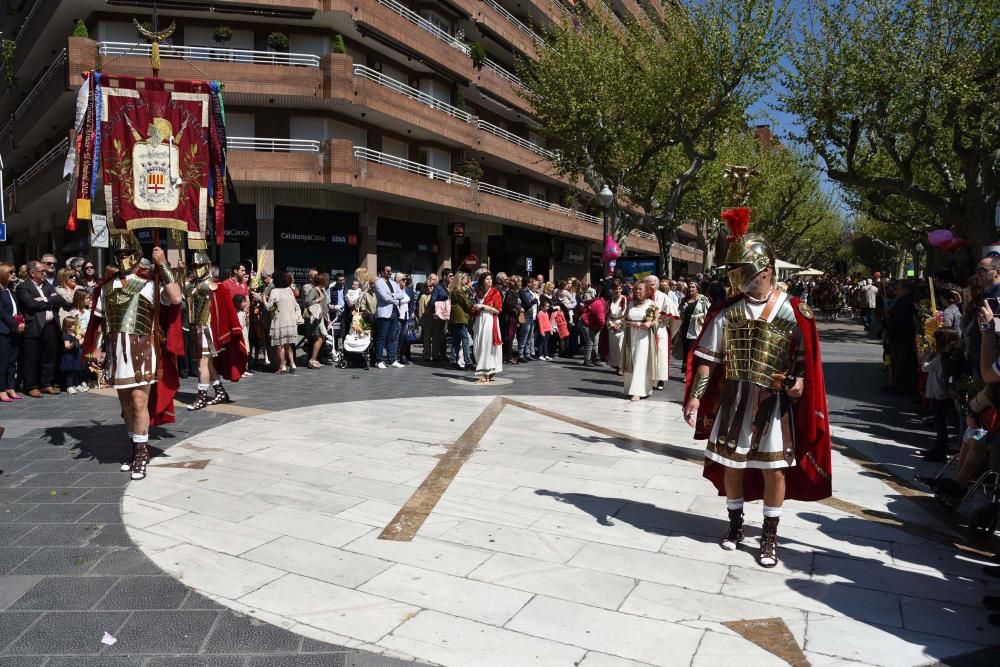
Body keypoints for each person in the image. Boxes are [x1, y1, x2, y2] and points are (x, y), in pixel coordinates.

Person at [682, 232, 831, 568]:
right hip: (733, 398)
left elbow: (808, 362)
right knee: (732, 465)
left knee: (773, 470)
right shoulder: (727, 312)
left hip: (773, 403)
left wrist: (799, 383)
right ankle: (735, 525)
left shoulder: (794, 311)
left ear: (764, 269)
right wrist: (694, 398)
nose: (737, 275)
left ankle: (769, 535)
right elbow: (709, 359)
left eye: (742, 267)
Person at [82, 231, 183, 480]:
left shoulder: (151, 282)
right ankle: (134, 446)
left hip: (142, 349)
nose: (123, 257)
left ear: (137, 254)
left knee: (139, 401)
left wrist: (163, 265)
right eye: (119, 253)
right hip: (117, 350)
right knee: (126, 405)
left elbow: (176, 297)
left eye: (127, 253)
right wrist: (97, 347)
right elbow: (99, 321)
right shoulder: (107, 286)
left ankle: (140, 452)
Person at [183, 252, 245, 409]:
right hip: (194, 328)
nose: (197, 269)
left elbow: (224, 310)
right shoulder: (193, 285)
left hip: (206, 330)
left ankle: (201, 396)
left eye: (200, 265)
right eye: (194, 266)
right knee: (207, 364)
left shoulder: (215, 285)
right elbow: (182, 296)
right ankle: (220, 391)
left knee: (201, 365)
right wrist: (177, 272)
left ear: (208, 266)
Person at [16, 260, 67, 397]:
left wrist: (43, 300)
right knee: (31, 357)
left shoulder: (47, 285)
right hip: (34, 326)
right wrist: (49, 300)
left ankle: (46, 384)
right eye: (41, 271)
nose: (45, 273)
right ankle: (31, 386)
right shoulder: (23, 287)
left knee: (49, 356)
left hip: (50, 326)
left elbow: (60, 299)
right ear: (33, 273)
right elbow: (32, 305)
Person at [622, 281, 658, 400]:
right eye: (636, 289)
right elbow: (625, 320)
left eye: (640, 289)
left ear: (647, 291)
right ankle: (629, 388)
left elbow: (653, 322)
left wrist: (648, 323)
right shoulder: (631, 303)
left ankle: (638, 391)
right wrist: (633, 323)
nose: (637, 291)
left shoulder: (651, 304)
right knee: (631, 360)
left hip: (644, 338)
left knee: (640, 361)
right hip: (630, 337)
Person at [645, 274, 679, 390]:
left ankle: (660, 380)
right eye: (648, 284)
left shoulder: (663, 297)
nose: (650, 286)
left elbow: (673, 313)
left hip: (660, 330)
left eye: (653, 284)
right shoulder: (642, 296)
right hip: (645, 331)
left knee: (661, 355)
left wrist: (661, 319)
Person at [471, 272, 503, 383]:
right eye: (487, 279)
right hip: (480, 320)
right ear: (482, 281)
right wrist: (475, 307)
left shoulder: (495, 292)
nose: (489, 280)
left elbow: (498, 310)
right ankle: (488, 371)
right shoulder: (478, 292)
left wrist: (483, 306)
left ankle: (485, 374)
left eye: (490, 278)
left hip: (490, 320)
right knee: (478, 345)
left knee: (487, 345)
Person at [266, 271, 300, 374]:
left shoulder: (275, 291)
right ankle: (292, 364)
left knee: (279, 344)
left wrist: (263, 299)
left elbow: (269, 307)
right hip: (290, 320)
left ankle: (282, 366)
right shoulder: (289, 290)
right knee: (288, 344)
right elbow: (294, 304)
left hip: (279, 320)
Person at [0, 263, 24, 402]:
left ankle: (10, 387)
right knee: (2, 362)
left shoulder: (10, 291)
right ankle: (1, 389)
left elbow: (16, 310)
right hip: (4, 331)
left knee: (12, 361)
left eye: (14, 272)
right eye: (10, 272)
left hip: (15, 331)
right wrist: (15, 325)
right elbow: (2, 313)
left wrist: (21, 323)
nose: (14, 274)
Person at [373, 264, 405, 369]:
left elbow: (401, 295)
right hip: (383, 313)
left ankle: (392, 360)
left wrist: (392, 296)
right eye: (387, 271)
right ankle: (379, 360)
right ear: (382, 272)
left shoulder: (393, 283)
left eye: (390, 271)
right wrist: (395, 297)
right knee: (381, 337)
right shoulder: (378, 282)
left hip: (394, 312)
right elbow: (383, 298)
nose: (390, 273)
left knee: (392, 337)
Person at [680, 281, 711, 375]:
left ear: (697, 289)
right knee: (686, 351)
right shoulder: (685, 299)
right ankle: (686, 372)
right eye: (689, 287)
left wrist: (697, 316)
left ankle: (692, 371)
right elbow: (681, 313)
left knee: (692, 350)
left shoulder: (702, 299)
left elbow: (707, 312)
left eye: (693, 287)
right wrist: (682, 309)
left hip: (696, 328)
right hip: (685, 327)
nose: (690, 289)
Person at [303, 272, 331, 370]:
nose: (327, 282)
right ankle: (313, 359)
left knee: (321, 337)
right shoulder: (314, 290)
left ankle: (314, 359)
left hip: (320, 317)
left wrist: (327, 316)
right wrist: (318, 299)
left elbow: (324, 305)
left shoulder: (321, 290)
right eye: (326, 280)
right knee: (319, 338)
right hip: (315, 318)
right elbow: (307, 302)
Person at [605, 280, 627, 374]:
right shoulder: (611, 300)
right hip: (612, 323)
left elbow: (626, 313)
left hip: (621, 323)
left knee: (620, 346)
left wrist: (620, 324)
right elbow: (608, 313)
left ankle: (622, 367)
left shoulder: (624, 299)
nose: (617, 290)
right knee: (613, 346)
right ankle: (617, 365)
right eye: (615, 289)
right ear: (612, 290)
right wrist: (610, 324)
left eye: (619, 288)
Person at [580, 288, 606, 366]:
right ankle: (587, 360)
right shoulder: (599, 303)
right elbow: (601, 320)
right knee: (590, 341)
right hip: (586, 322)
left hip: (594, 324)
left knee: (595, 342)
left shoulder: (601, 302)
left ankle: (595, 359)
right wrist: (605, 326)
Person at [60, 316, 86, 394]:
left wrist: (84, 338)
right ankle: (69, 386)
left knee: (76, 371)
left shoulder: (75, 334)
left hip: (76, 355)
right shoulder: (66, 336)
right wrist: (74, 341)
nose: (76, 326)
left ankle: (76, 385)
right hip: (69, 357)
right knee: (70, 372)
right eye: (74, 324)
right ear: (69, 326)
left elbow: (80, 343)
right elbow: (67, 346)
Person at [429, 271, 450, 364]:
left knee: (444, 336)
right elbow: (432, 301)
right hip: (439, 315)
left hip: (446, 315)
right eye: (450, 276)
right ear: (445, 277)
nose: (452, 278)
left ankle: (443, 354)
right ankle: (435, 355)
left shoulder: (449, 287)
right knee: (437, 336)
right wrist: (443, 304)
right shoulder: (438, 287)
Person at [502, 274, 523, 364]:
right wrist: (518, 308)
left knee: (510, 337)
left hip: (512, 317)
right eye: (519, 281)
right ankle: (508, 357)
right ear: (515, 283)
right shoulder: (511, 292)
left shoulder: (514, 291)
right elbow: (508, 302)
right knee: (509, 337)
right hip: (510, 317)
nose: (520, 283)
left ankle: (508, 356)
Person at [518, 278, 539, 363]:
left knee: (530, 337)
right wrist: (533, 301)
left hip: (532, 316)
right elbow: (527, 303)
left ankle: (527, 353)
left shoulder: (535, 293)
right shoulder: (524, 292)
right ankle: (521, 354)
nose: (536, 286)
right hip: (526, 316)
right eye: (532, 284)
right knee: (524, 335)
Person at [396, 272, 414, 364]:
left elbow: (411, 303)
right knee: (397, 336)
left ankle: (403, 355)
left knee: (403, 337)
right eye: (403, 279)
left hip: (406, 316)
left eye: (405, 280)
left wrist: (411, 314)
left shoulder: (407, 290)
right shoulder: (395, 290)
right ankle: (395, 356)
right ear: (398, 280)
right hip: (398, 316)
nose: (405, 281)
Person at [233, 294, 253, 377]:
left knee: (246, 351)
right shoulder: (236, 313)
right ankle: (239, 370)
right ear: (238, 303)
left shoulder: (243, 312)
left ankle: (244, 368)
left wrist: (247, 315)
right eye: (243, 302)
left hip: (245, 333)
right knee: (241, 351)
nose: (245, 304)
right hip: (240, 334)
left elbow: (247, 323)